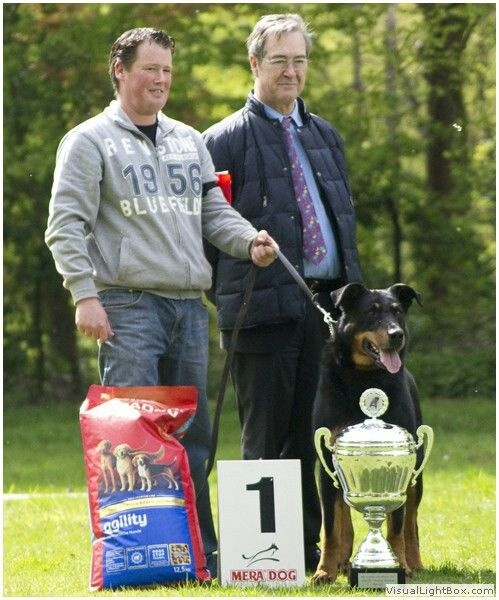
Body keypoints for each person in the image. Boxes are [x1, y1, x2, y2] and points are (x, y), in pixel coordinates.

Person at [45, 27, 278, 578]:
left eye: (167, 70)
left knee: (194, 439)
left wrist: (249, 241)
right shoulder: (88, 141)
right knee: (133, 440)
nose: (161, 79)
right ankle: (138, 560)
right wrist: (84, 295)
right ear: (120, 71)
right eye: (150, 69)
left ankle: (199, 555)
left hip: (188, 308)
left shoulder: (188, 140)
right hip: (126, 307)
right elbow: (65, 225)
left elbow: (213, 214)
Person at [203, 14, 363, 570]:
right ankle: (262, 557)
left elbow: (344, 223)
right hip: (259, 312)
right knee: (267, 439)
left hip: (327, 313)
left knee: (315, 438)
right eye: (279, 61)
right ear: (254, 63)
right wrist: (233, 295)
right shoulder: (221, 140)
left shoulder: (325, 135)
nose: (291, 71)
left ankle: (311, 550)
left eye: (300, 60)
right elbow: (206, 233)